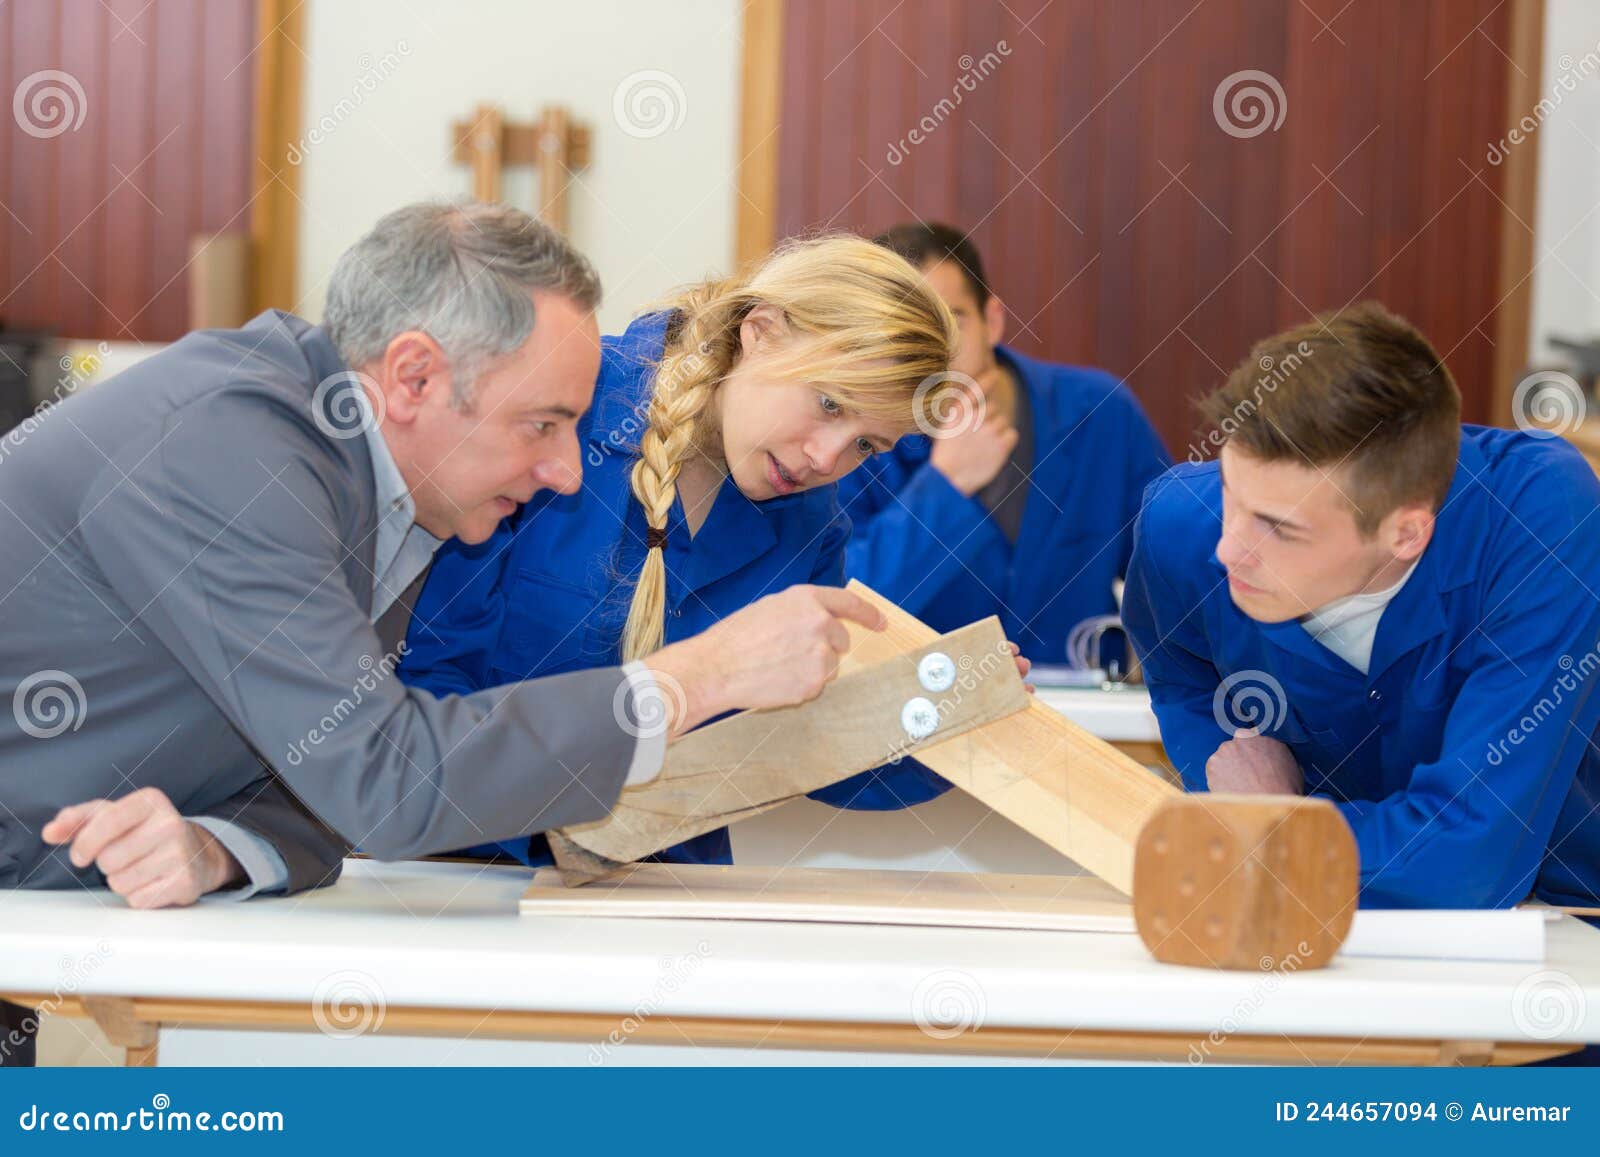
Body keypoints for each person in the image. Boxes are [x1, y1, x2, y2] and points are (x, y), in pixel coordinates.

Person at [0, 202, 887, 910]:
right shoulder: (227, 450)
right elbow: (385, 781)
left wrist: (217, 845)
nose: (567, 470)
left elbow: (323, 788)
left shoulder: (382, 486)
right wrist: (695, 678)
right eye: (542, 424)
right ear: (415, 377)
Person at [400, 233, 1012, 866]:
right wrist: (548, 840)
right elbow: (426, 687)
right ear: (762, 331)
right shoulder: (562, 412)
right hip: (469, 880)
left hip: (664, 900)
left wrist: (947, 731)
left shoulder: (812, 525)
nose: (828, 459)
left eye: (867, 446)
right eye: (829, 403)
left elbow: (786, 743)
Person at [1122, 301, 1600, 910]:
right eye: (1229, 492)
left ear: (1406, 534)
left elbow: (1466, 858)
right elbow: (1185, 681)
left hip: (1570, 913)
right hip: (1308, 909)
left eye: (1278, 528)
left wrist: (1280, 828)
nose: (1228, 549)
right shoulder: (1176, 529)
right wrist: (1246, 800)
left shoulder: (1541, 519)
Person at [812, 222, 1170, 811]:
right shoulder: (852, 443)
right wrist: (945, 487)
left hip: (1083, 753)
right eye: (905, 327)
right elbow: (842, 609)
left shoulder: (1099, 414)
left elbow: (1181, 571)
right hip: (911, 763)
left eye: (949, 319)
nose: (931, 346)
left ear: (993, 320)